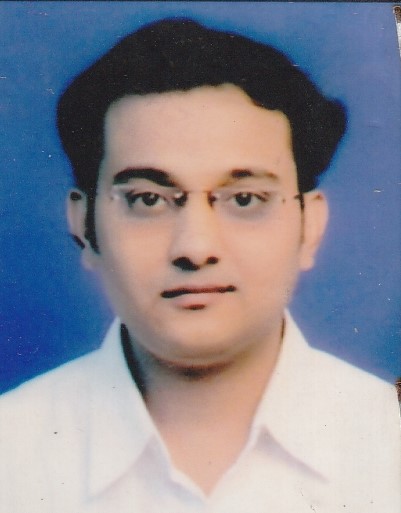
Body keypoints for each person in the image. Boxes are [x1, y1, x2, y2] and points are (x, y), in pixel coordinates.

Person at [0, 18, 399, 513]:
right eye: (147, 199)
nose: (196, 247)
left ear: (309, 225)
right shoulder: (11, 451)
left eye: (245, 199)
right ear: (84, 224)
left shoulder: (388, 437)